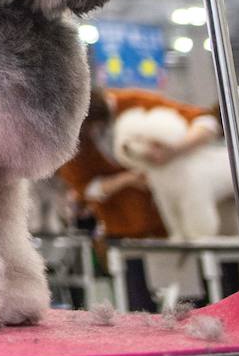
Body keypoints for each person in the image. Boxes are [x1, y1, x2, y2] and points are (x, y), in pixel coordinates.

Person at [58, 86, 220, 310]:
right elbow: (84, 188)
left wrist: (174, 150)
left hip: (175, 234)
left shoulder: (136, 103)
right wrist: (128, 179)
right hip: (126, 237)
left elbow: (206, 122)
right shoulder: (72, 131)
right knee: (139, 312)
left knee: (194, 307)